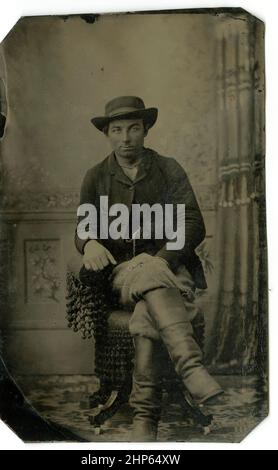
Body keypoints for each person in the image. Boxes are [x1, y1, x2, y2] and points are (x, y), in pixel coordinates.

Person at [75, 95, 223, 441]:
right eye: (117, 129)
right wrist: (90, 242)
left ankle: (145, 417)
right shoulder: (96, 176)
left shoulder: (169, 169)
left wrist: (160, 260)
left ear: (145, 130)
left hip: (169, 270)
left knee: (147, 310)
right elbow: (82, 228)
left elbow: (192, 222)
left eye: (134, 128)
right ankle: (191, 367)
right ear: (108, 134)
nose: (125, 137)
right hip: (122, 274)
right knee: (148, 282)